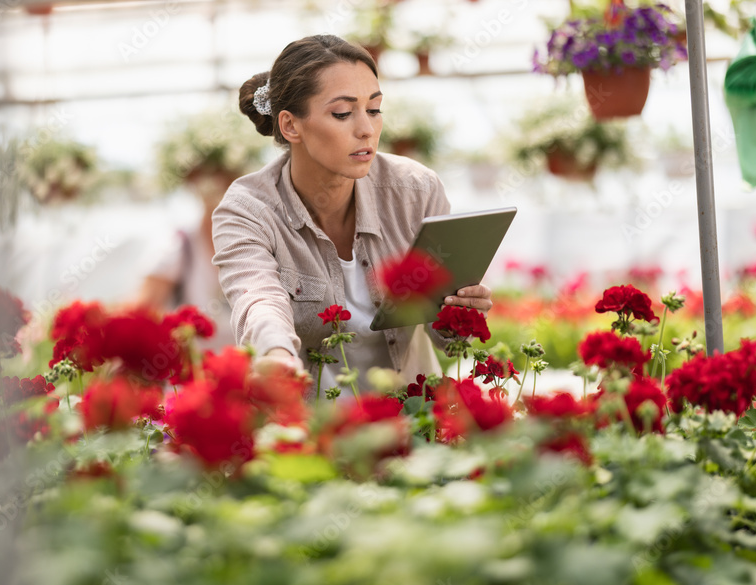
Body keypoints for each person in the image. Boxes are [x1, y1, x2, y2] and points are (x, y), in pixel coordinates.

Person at [211, 34, 492, 392]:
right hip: (312, 431)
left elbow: (447, 337)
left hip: (414, 419)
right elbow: (257, 296)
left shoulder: (416, 190)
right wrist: (276, 354)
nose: (366, 129)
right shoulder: (247, 210)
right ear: (290, 125)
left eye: (374, 109)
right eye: (343, 113)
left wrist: (460, 310)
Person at [136, 169, 236, 350]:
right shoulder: (176, 245)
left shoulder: (261, 244)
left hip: (247, 371)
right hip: (189, 372)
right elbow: (142, 314)